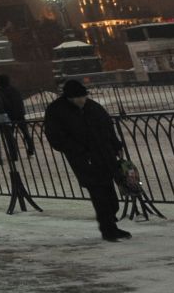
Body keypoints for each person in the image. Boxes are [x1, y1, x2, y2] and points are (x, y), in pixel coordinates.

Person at [43, 79, 132, 241]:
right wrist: (78, 150)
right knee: (99, 195)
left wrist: (116, 144)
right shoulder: (56, 110)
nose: (82, 100)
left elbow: (107, 127)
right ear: (69, 97)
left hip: (104, 155)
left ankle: (111, 225)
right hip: (84, 160)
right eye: (78, 98)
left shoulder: (93, 107)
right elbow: (55, 137)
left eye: (83, 97)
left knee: (110, 197)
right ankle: (108, 229)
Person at [0, 74, 35, 158]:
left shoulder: (0, 92)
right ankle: (31, 150)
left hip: (9, 116)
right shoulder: (15, 90)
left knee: (10, 135)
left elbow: (1, 104)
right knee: (26, 133)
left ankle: (14, 153)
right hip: (20, 114)